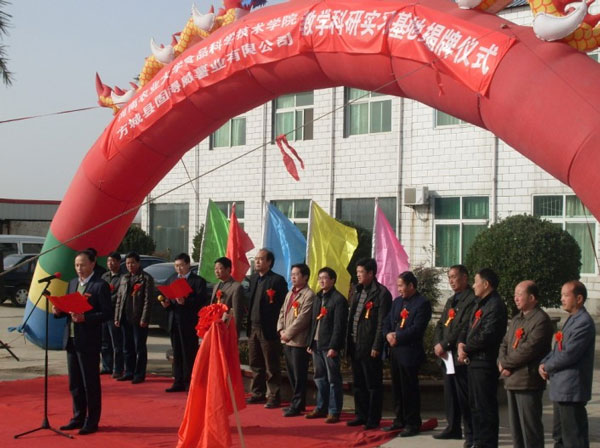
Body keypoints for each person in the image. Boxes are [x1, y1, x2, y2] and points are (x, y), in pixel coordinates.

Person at [53, 249, 112, 435]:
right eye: (77, 265)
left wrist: (85, 318)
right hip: (71, 339)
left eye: (83, 264)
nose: (79, 268)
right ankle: (77, 417)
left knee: (90, 383)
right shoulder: (72, 283)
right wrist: (58, 311)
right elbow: (69, 308)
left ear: (93, 264)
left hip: (89, 341)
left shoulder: (99, 285)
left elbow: (107, 313)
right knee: (75, 383)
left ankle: (91, 421)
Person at [539, 280, 596, 448]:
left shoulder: (583, 322)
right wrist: (544, 362)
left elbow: (569, 354)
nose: (562, 299)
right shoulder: (572, 319)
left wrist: (548, 366)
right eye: (561, 295)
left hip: (571, 389)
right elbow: (558, 349)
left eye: (566, 295)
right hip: (560, 389)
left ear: (579, 298)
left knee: (573, 438)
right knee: (560, 437)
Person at [498, 280, 553, 448]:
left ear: (532, 297)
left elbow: (529, 350)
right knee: (516, 430)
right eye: (515, 294)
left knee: (530, 430)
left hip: (528, 381)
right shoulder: (516, 319)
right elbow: (504, 344)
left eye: (519, 294)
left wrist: (506, 365)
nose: (516, 298)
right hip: (511, 380)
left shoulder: (541, 320)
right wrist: (501, 363)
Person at [457, 268, 507, 448]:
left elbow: (487, 335)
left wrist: (466, 348)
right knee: (475, 406)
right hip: (472, 362)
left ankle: (487, 443)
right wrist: (461, 343)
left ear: (486, 284)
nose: (473, 285)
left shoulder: (496, 305)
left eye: (476, 281)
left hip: (484, 363)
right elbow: (467, 327)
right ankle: (477, 440)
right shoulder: (480, 303)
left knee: (485, 407)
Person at [382, 271, 432, 437]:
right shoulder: (397, 302)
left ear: (411, 286)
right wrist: (388, 334)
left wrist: (398, 336)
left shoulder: (422, 303)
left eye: (401, 286)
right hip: (395, 352)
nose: (399, 289)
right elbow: (387, 321)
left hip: (409, 352)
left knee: (409, 388)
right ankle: (399, 419)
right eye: (397, 286)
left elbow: (417, 328)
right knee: (397, 388)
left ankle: (412, 422)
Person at [346, 258, 392, 430]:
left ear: (371, 273)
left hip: (369, 347)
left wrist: (376, 346)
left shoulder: (381, 293)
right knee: (358, 383)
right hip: (355, 344)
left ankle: (373, 418)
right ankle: (361, 414)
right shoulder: (358, 291)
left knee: (373, 384)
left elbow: (382, 323)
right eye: (357, 272)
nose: (358, 275)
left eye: (361, 272)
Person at [432, 265, 476, 442]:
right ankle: (453, 427)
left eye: (454, 277)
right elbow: (441, 324)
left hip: (457, 354)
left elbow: (462, 326)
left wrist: (445, 343)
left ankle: (470, 431)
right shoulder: (451, 300)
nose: (451, 281)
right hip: (446, 356)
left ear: (465, 278)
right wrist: (437, 343)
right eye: (449, 277)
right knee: (450, 393)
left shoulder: (471, 300)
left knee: (462, 395)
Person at [246, 248, 288, 408]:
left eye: (261, 259)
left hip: (268, 328)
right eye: (256, 259)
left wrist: (279, 327)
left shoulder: (277, 280)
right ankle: (257, 393)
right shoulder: (254, 278)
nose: (257, 262)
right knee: (255, 362)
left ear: (269, 262)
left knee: (271, 364)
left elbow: (282, 306)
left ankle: (274, 395)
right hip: (253, 327)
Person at [306, 267, 348, 424]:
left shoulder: (338, 300)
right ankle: (321, 407)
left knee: (333, 379)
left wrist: (334, 347)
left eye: (325, 278)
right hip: (317, 344)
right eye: (320, 278)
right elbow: (313, 322)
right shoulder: (318, 297)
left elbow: (339, 326)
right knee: (319, 378)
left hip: (329, 346)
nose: (322, 281)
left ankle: (334, 410)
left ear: (333, 280)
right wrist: (310, 342)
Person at [160, 252, 207, 392]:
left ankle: (189, 382)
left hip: (189, 322)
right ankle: (178, 381)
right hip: (174, 320)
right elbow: (167, 295)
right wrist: (167, 304)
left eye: (181, 265)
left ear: (188, 264)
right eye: (176, 266)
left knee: (189, 353)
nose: (178, 269)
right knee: (177, 352)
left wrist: (185, 301)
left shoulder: (198, 281)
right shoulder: (172, 279)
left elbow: (201, 301)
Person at [277, 263, 315, 417]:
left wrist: (288, 333)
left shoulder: (308, 295)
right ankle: (296, 403)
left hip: (298, 340)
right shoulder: (290, 293)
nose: (293, 277)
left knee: (299, 375)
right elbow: (282, 312)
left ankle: (298, 404)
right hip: (286, 339)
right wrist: (280, 329)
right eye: (292, 274)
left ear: (305, 277)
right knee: (292, 373)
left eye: (296, 274)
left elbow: (303, 319)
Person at [114, 251, 154, 384]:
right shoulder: (124, 278)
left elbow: (148, 300)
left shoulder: (146, 278)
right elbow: (120, 298)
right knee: (127, 347)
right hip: (125, 317)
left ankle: (139, 373)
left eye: (132, 263)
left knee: (139, 347)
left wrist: (145, 318)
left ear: (138, 263)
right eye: (127, 263)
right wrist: (117, 316)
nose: (130, 265)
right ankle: (129, 371)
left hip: (138, 317)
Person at [100, 251, 124, 379]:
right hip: (103, 313)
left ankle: (118, 368)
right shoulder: (104, 276)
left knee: (117, 343)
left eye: (113, 261)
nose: (110, 264)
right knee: (104, 342)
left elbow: (120, 295)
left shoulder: (123, 277)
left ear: (119, 262)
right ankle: (106, 366)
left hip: (115, 313)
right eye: (109, 261)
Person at [211, 256, 244, 337]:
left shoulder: (236, 287)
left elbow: (237, 313)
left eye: (220, 268)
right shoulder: (216, 286)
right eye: (215, 269)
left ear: (228, 269)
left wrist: (235, 333)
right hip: (215, 327)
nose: (216, 271)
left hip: (227, 328)